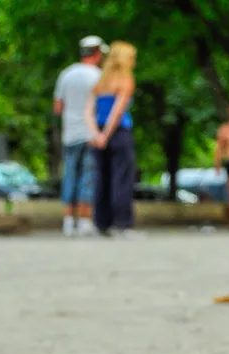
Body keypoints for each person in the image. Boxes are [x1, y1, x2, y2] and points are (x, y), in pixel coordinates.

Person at [54, 36, 107, 236]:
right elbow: (100, 107)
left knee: (70, 175)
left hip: (69, 133)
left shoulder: (66, 74)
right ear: (97, 53)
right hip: (90, 134)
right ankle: (85, 222)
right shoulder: (97, 76)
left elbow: (58, 107)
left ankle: (68, 222)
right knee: (88, 177)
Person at [84, 41, 138, 237]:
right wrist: (107, 134)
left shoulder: (101, 81)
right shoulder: (126, 80)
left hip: (97, 132)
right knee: (122, 178)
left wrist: (96, 134)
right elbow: (118, 111)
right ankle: (122, 224)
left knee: (101, 178)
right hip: (118, 132)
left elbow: (88, 111)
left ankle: (101, 223)